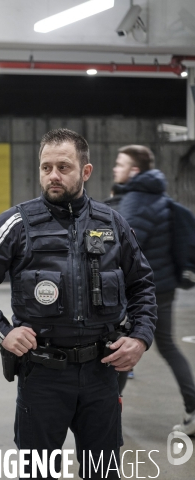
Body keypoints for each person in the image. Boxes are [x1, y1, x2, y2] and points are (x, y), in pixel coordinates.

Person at [0, 129, 157, 478]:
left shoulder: (112, 223)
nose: (53, 175)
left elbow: (142, 284)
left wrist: (140, 337)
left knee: (103, 472)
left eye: (63, 167)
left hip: (101, 373)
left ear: (85, 171)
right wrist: (4, 332)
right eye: (46, 167)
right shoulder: (18, 223)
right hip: (43, 376)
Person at [114, 144, 195, 435]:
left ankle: (108, 413)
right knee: (167, 347)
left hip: (142, 290)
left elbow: (124, 248)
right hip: (165, 285)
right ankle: (193, 408)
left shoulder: (135, 200)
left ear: (134, 170)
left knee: (121, 349)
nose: (115, 169)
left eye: (120, 164)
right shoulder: (157, 195)